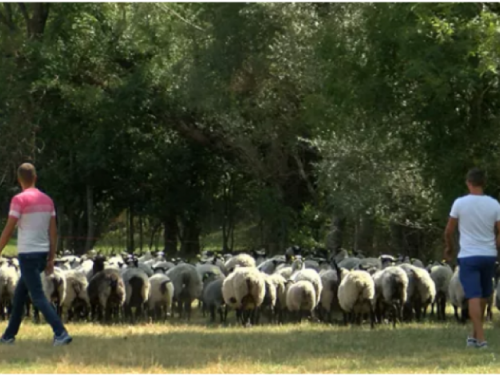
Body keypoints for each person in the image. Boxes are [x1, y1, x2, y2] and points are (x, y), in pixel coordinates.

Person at [0, 163, 72, 346]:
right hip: (42, 253)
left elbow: (9, 229)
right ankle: (8, 336)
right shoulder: (47, 200)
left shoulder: (18, 200)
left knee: (38, 296)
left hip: (28, 254)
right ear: (35, 178)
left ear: (19, 179)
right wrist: (51, 256)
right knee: (19, 296)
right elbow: (53, 231)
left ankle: (60, 332)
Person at [444, 167, 500, 349]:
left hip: (468, 256)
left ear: (468, 183)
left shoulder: (460, 203)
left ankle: (482, 339)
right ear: (484, 183)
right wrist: (495, 244)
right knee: (484, 295)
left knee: (474, 297)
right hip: (488, 255)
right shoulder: (494, 204)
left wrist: (449, 247)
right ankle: (473, 335)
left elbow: (449, 230)